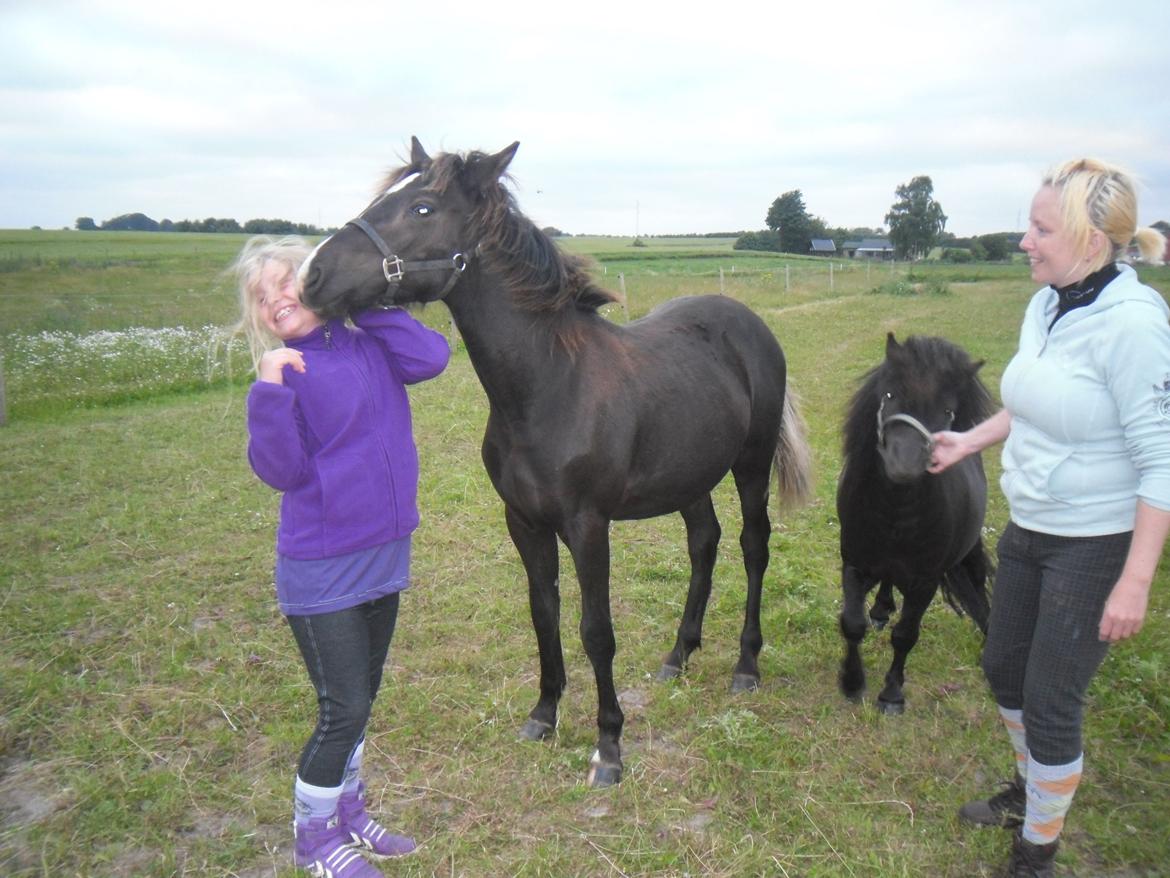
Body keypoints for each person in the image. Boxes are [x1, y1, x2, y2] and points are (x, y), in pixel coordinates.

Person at [929, 159, 1170, 877]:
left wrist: (1135, 581)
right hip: (1032, 525)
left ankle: (1038, 849)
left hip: (1095, 543)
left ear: (1091, 242)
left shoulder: (1133, 328)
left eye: (1040, 229)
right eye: (1027, 225)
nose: (1024, 241)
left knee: (1051, 697)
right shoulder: (1048, 304)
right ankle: (1031, 785)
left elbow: (1162, 461)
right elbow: (1031, 400)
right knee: (1003, 667)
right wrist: (970, 439)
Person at [232, 235, 450, 877]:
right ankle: (313, 839)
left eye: (287, 284)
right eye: (263, 298)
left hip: (383, 552)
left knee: (364, 698)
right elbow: (279, 469)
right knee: (343, 708)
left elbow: (431, 356)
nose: (276, 301)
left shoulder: (368, 343)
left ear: (318, 282)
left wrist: (367, 301)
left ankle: (347, 813)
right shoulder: (287, 370)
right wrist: (268, 391)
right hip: (322, 567)